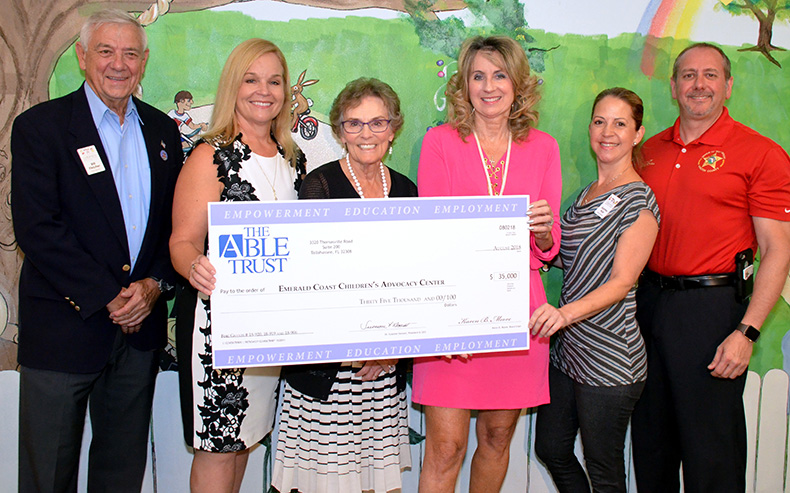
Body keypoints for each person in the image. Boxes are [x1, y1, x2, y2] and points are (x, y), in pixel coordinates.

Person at [10, 9, 182, 492]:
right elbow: (38, 229)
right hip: (65, 330)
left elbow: (175, 227)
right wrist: (109, 295)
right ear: (83, 57)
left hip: (138, 336)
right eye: (106, 51)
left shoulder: (164, 133)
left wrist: (154, 285)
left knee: (121, 474)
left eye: (130, 53)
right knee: (48, 475)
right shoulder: (40, 128)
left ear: (144, 62)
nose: (118, 64)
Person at [630, 43, 790, 492]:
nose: (698, 84)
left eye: (709, 75)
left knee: (711, 453)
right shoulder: (647, 151)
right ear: (673, 86)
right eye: (687, 75)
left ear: (728, 86)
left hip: (713, 312)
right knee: (651, 445)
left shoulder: (761, 154)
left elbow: (776, 250)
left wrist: (748, 333)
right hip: (648, 306)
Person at [413, 35, 561, 492]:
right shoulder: (439, 142)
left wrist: (540, 230)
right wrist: (450, 321)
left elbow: (547, 249)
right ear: (464, 83)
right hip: (453, 310)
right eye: (478, 75)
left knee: (498, 438)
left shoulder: (544, 147)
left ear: (518, 84)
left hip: (518, 313)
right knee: (445, 448)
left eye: (500, 75)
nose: (489, 86)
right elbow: (433, 238)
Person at [169, 38, 305, 493]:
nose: (263, 90)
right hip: (218, 329)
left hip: (270, 331)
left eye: (274, 81)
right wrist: (193, 267)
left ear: (286, 91)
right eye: (251, 79)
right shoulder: (210, 155)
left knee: (244, 441)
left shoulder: (293, 159)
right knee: (217, 448)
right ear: (234, 86)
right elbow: (182, 241)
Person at [271, 77, 415, 493]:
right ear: (338, 132)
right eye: (354, 124)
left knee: (375, 485)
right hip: (331, 370)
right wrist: (358, 345)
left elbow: (411, 280)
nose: (366, 133)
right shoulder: (319, 186)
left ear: (393, 128)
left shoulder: (407, 191)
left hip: (381, 370)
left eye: (377, 122)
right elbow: (313, 282)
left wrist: (388, 346)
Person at [529, 88, 659, 492]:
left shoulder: (639, 198)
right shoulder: (585, 194)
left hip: (611, 359)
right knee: (551, 449)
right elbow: (567, 258)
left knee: (604, 471)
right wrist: (546, 239)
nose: (608, 132)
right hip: (570, 353)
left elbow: (622, 282)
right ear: (590, 128)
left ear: (637, 134)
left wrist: (563, 314)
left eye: (620, 123)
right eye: (600, 121)